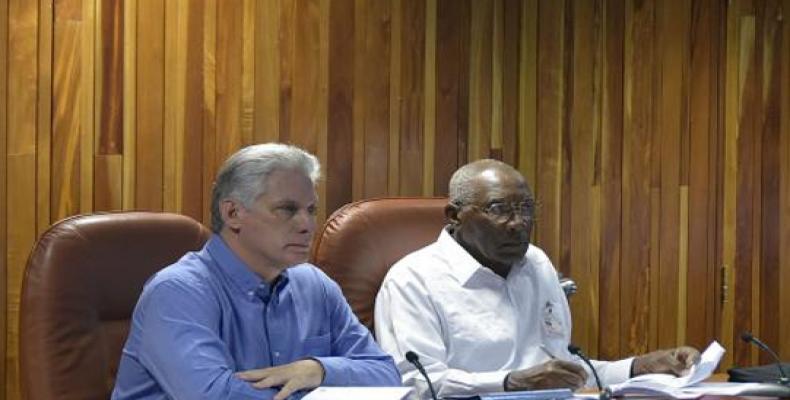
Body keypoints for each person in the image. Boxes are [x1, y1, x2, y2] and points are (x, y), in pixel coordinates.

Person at [374, 159, 699, 399]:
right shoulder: (412, 281)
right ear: (455, 215)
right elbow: (418, 386)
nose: (518, 223)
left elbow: (561, 369)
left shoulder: (536, 263)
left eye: (527, 208)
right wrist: (512, 382)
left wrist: (638, 367)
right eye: (499, 209)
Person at [113, 143, 401, 400]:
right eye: (287, 209)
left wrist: (318, 370)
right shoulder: (177, 291)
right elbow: (214, 395)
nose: (307, 225)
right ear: (233, 214)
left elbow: (386, 375)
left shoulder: (315, 285)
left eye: (311, 210)